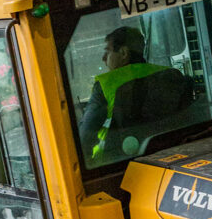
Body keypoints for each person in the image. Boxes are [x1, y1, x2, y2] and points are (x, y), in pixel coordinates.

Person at [79, 26, 192, 164]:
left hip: (119, 163)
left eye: (107, 52)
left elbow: (86, 138)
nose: (103, 58)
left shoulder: (106, 84)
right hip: (175, 156)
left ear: (123, 53)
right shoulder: (171, 74)